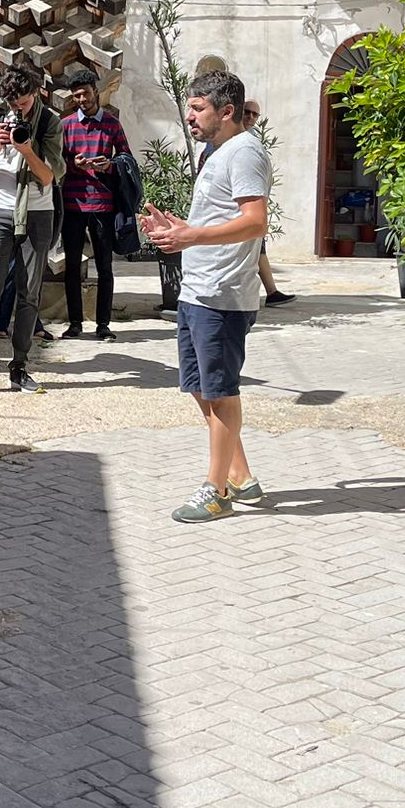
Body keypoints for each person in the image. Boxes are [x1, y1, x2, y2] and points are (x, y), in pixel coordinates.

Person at [140, 70, 271, 523]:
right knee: (200, 388)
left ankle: (216, 492)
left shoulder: (245, 152)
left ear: (226, 111)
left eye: (198, 109)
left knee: (221, 393)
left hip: (223, 294)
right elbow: (216, 218)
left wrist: (192, 236)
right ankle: (241, 475)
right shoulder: (217, 151)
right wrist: (178, 229)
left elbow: (255, 222)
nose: (190, 117)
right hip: (197, 290)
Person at [0, 62, 63, 397]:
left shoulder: (49, 122)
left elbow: (49, 177)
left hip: (38, 212)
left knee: (29, 293)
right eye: (13, 103)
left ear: (36, 93)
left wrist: (26, 150)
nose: (19, 109)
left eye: (24, 103)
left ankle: (19, 367)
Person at [60, 66, 131, 340]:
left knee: (105, 267)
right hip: (73, 205)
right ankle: (75, 323)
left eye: (85, 94)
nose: (82, 99)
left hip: (103, 205)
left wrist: (109, 165)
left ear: (96, 92)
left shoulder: (112, 124)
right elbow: (56, 163)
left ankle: (103, 324)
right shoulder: (65, 126)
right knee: (72, 267)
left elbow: (126, 158)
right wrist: (73, 165)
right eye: (76, 95)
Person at [244, 99, 296, 305]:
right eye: (247, 112)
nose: (250, 117)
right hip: (240, 205)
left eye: (254, 114)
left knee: (259, 249)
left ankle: (272, 292)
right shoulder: (232, 138)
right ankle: (271, 292)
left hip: (252, 203)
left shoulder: (253, 139)